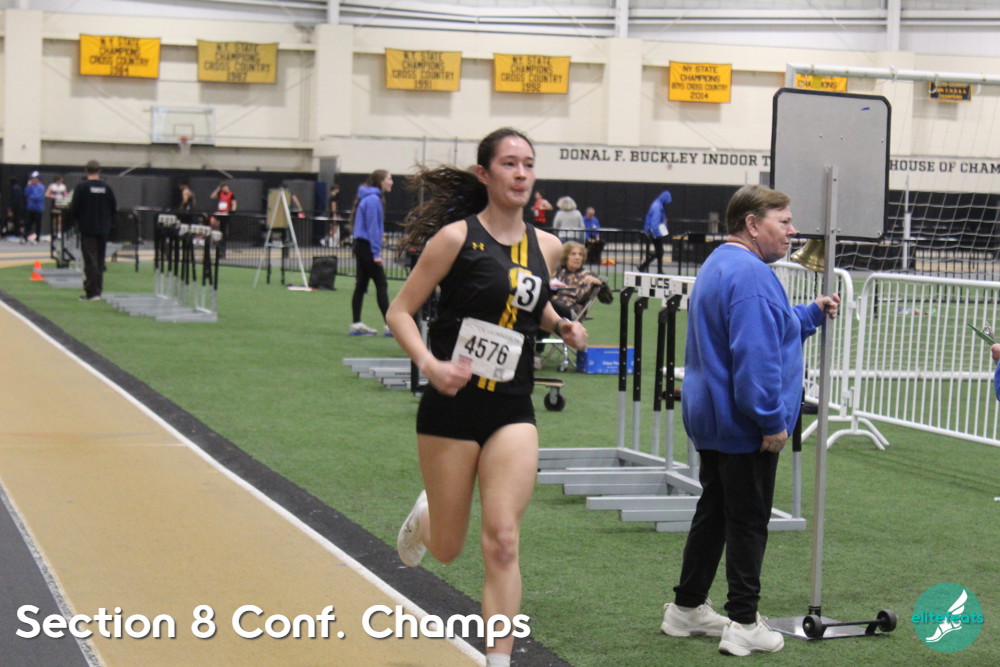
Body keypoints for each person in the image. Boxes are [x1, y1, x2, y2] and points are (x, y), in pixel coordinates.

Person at [385, 127, 587, 667]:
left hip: (511, 409)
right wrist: (429, 364)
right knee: (449, 548)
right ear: (484, 173)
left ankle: (498, 659)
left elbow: (528, 301)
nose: (521, 174)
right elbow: (399, 311)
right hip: (451, 408)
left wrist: (560, 324)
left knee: (502, 540)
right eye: (509, 164)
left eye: (529, 164)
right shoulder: (454, 239)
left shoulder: (547, 246)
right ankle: (427, 517)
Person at [660, 184, 839, 657]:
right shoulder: (754, 276)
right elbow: (755, 358)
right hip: (742, 423)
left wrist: (810, 313)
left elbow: (768, 329)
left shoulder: (720, 264)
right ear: (753, 224)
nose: (793, 230)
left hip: (712, 418)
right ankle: (743, 621)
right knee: (748, 520)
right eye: (784, 221)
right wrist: (771, 420)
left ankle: (687, 607)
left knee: (716, 512)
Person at [349, 170, 394, 336]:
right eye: (389, 179)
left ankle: (356, 324)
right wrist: (376, 253)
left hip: (360, 245)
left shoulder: (367, 197)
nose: (391, 182)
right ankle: (390, 326)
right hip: (367, 247)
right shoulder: (374, 200)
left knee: (361, 285)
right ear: (381, 181)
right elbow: (373, 228)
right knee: (381, 283)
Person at [71, 160, 118, 302]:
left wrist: (78, 221)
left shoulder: (82, 187)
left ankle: (92, 292)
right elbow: (113, 208)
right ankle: (98, 289)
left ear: (86, 170)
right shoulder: (107, 187)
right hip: (103, 228)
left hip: (87, 228)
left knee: (90, 260)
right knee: (99, 259)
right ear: (100, 171)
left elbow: (74, 208)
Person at [549, 241, 612, 320]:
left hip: (572, 311)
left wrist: (600, 283)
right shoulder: (558, 272)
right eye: (573, 254)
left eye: (580, 254)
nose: (577, 257)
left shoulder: (588, 275)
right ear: (566, 256)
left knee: (548, 305)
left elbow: (608, 300)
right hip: (553, 308)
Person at [639, 189, 672, 273]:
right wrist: (657, 233)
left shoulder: (657, 204)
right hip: (654, 232)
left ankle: (645, 266)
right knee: (660, 252)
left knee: (659, 252)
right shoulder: (658, 207)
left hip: (652, 231)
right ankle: (649, 267)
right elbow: (655, 222)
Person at [24, 171, 46, 244]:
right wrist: (28, 186)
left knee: (37, 224)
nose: (32, 180)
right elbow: (26, 193)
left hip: (38, 208)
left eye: (33, 178)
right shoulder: (31, 186)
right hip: (30, 207)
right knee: (28, 223)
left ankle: (37, 237)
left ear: (38, 179)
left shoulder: (41, 187)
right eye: (31, 178)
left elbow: (38, 197)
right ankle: (26, 236)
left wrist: (30, 197)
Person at [45, 175, 70, 239]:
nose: (61, 181)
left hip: (61, 203)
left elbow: (65, 193)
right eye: (60, 180)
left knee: (60, 219)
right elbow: (46, 194)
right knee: (54, 218)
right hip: (54, 203)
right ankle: (54, 232)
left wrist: (65, 196)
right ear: (57, 180)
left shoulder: (63, 186)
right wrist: (52, 196)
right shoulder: (52, 186)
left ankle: (59, 232)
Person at [321, 183, 342, 247]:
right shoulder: (333, 197)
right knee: (333, 229)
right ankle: (326, 240)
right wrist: (335, 215)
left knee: (332, 229)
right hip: (333, 215)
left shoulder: (331, 197)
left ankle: (328, 240)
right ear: (335, 189)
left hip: (332, 214)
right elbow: (333, 207)